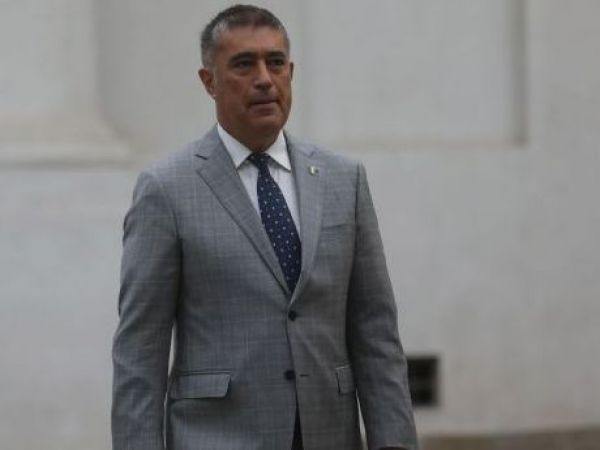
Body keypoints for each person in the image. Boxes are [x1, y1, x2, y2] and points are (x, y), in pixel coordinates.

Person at [112, 4, 417, 450]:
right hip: (217, 438)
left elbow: (376, 334)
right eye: (243, 64)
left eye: (275, 62)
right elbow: (139, 351)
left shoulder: (343, 180)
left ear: (291, 73)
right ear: (209, 81)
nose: (264, 79)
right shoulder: (167, 189)